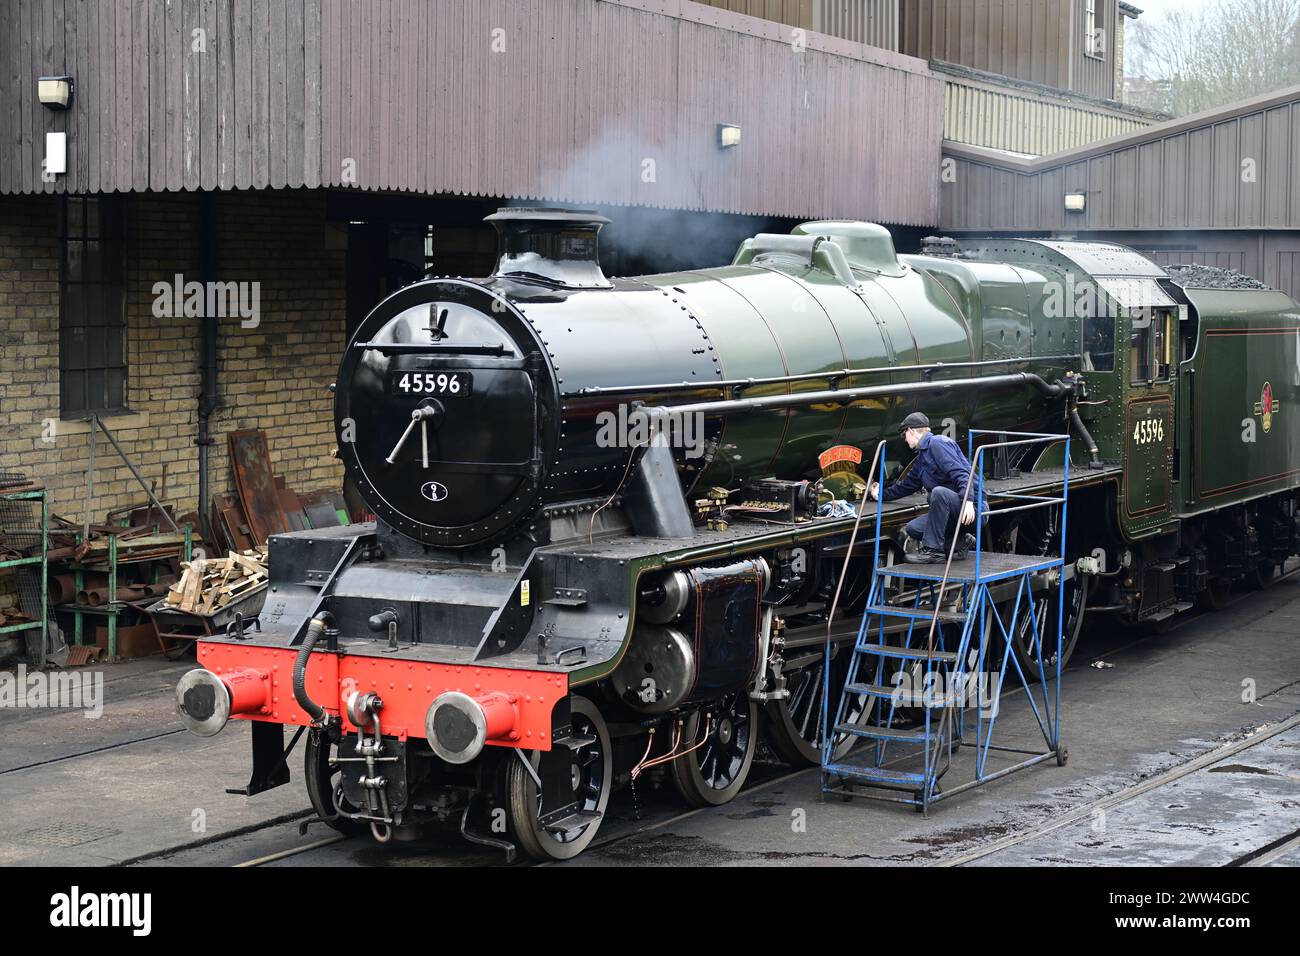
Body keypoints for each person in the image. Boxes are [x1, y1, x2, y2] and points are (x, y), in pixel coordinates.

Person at [868, 412, 978, 564]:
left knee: (939, 493)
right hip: (952, 512)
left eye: (903, 435)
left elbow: (963, 474)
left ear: (911, 431)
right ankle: (960, 543)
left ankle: (934, 552)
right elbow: (906, 486)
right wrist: (880, 495)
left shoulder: (938, 443)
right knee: (913, 528)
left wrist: (969, 501)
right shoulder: (921, 459)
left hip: (971, 509)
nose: (904, 440)